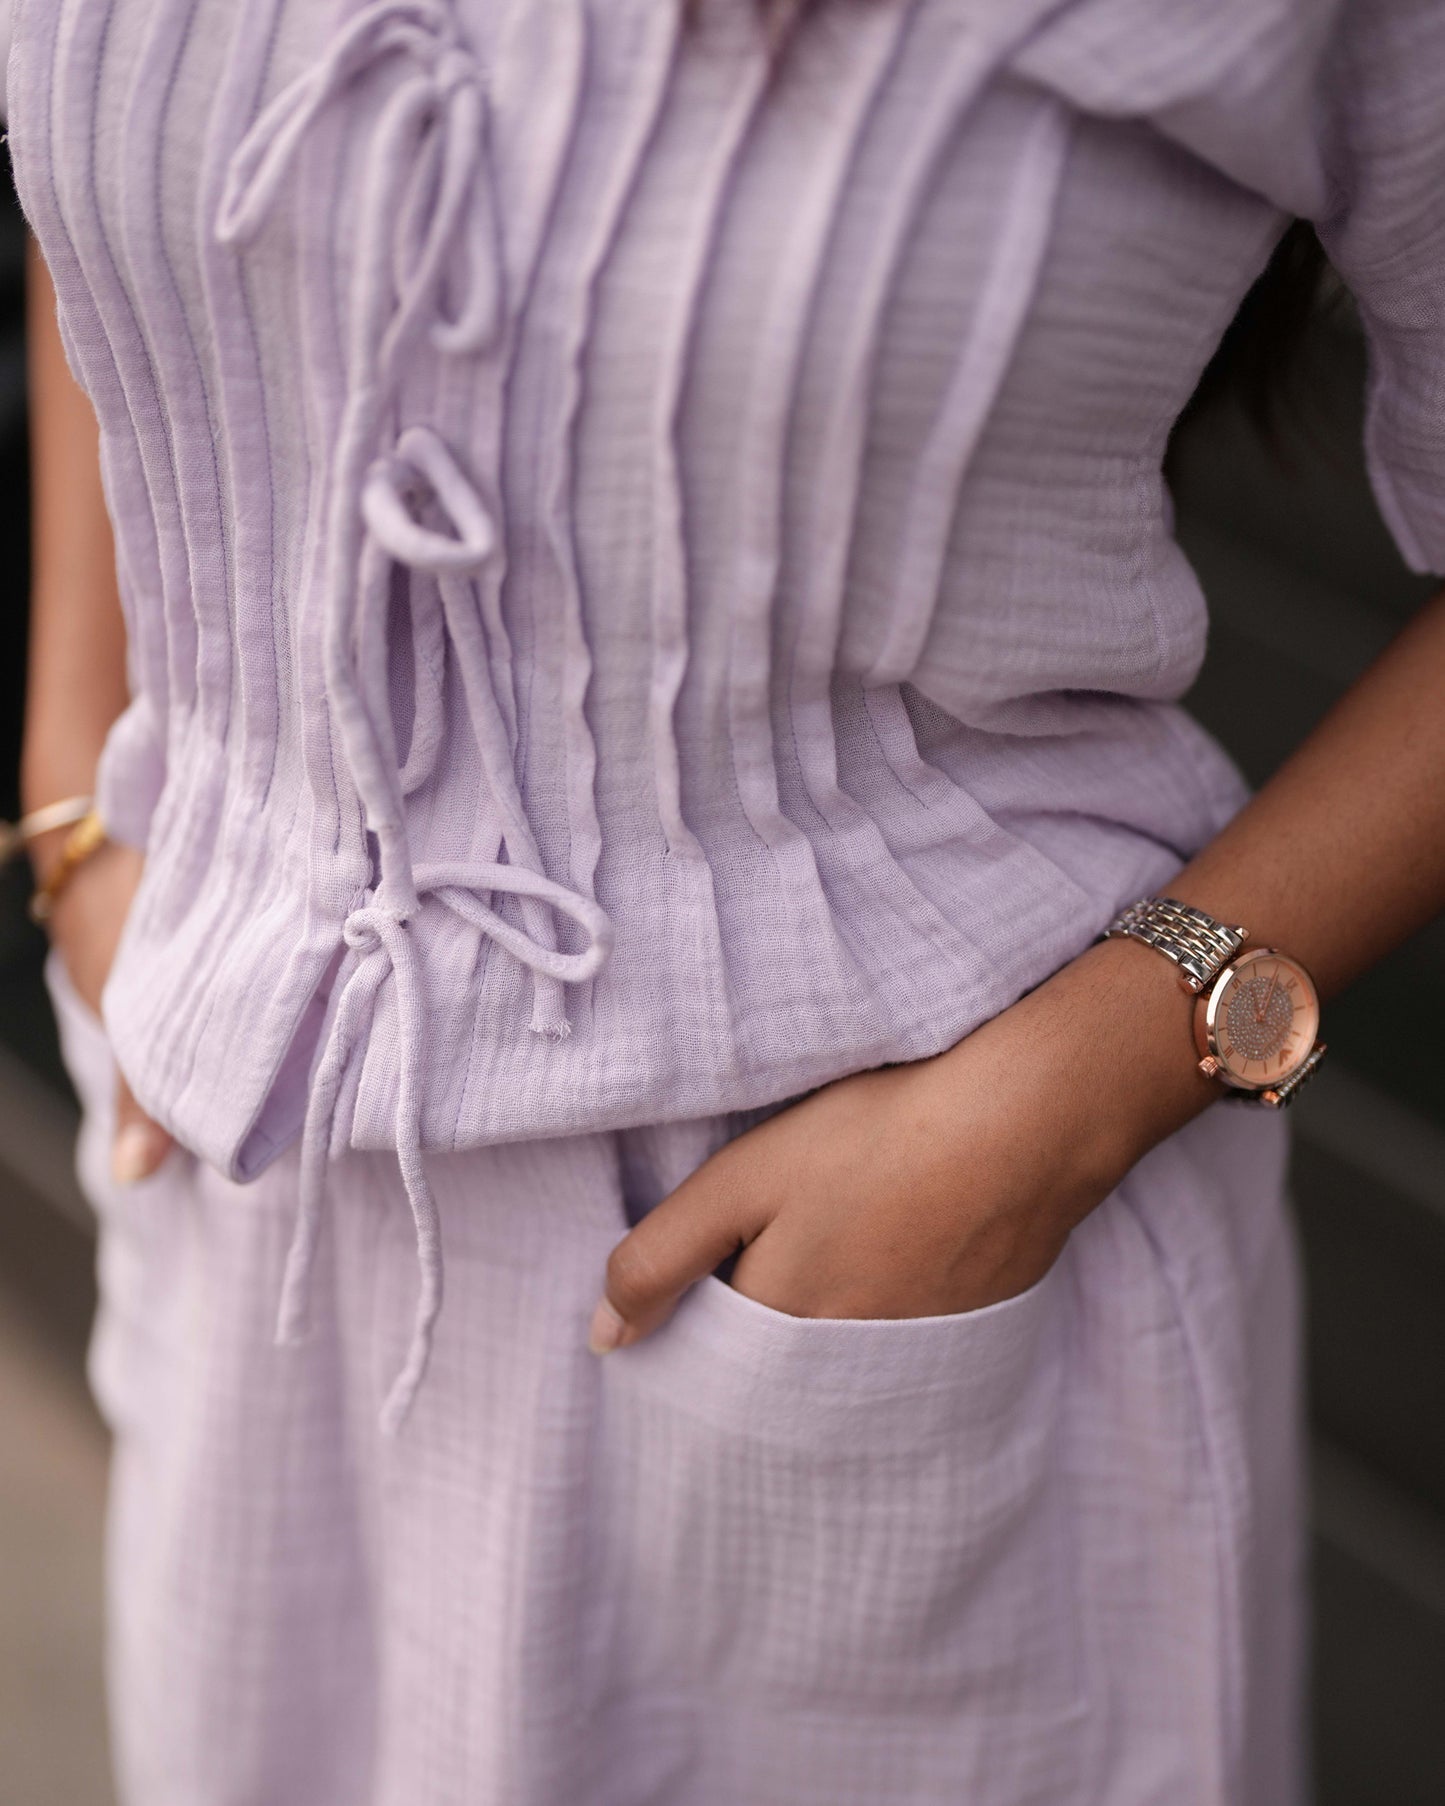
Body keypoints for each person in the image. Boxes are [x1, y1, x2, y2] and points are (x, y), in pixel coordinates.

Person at [7, 0, 1445, 1800]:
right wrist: (84, 791)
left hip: (862, 1244)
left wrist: (1067, 1100)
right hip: (255, 1196)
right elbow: (159, 169)